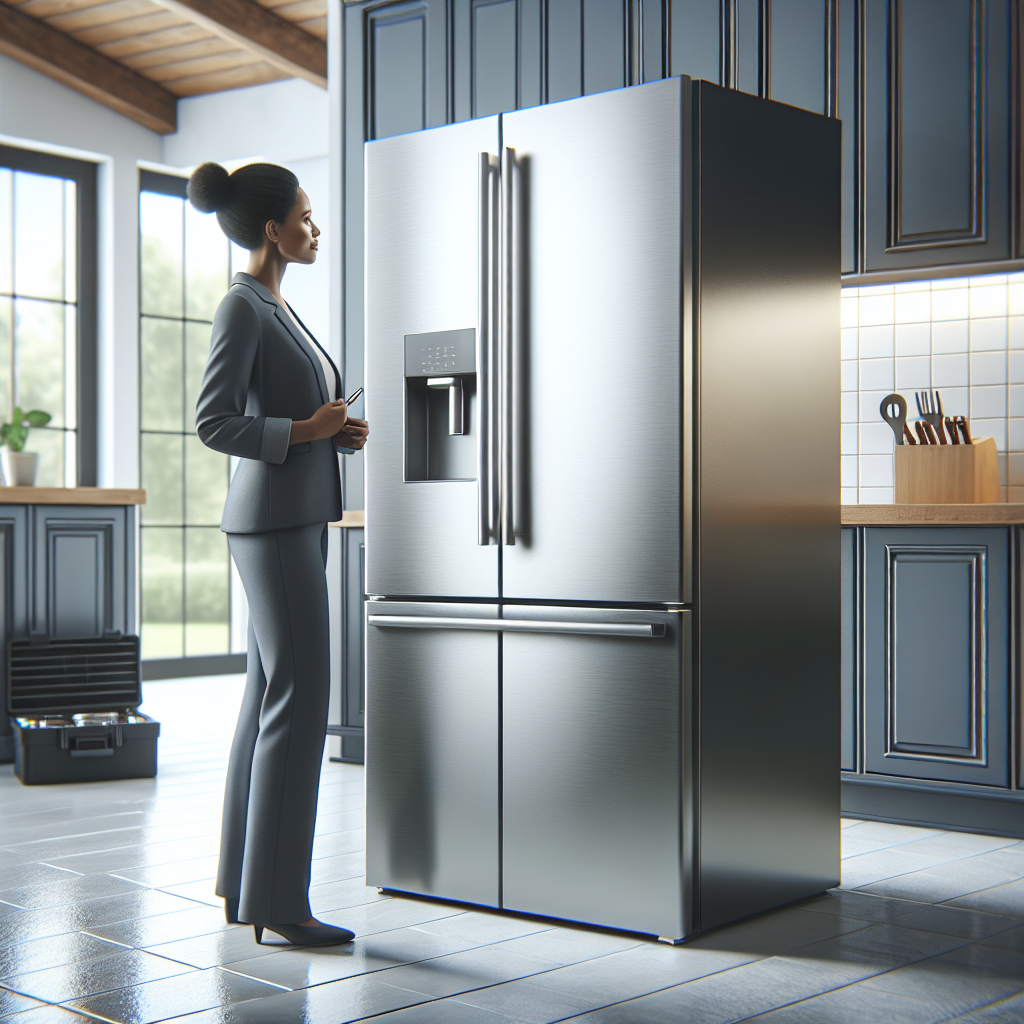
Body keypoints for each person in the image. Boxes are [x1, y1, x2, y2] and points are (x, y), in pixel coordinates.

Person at [188, 161, 368, 947]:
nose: (313, 227)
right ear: (272, 229)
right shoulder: (242, 308)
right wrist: (306, 434)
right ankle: (281, 904)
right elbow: (213, 422)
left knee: (270, 695)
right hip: (271, 525)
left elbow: (302, 414)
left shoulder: (276, 305)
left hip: (295, 519)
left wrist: (336, 433)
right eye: (304, 215)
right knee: (301, 699)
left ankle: (245, 886)